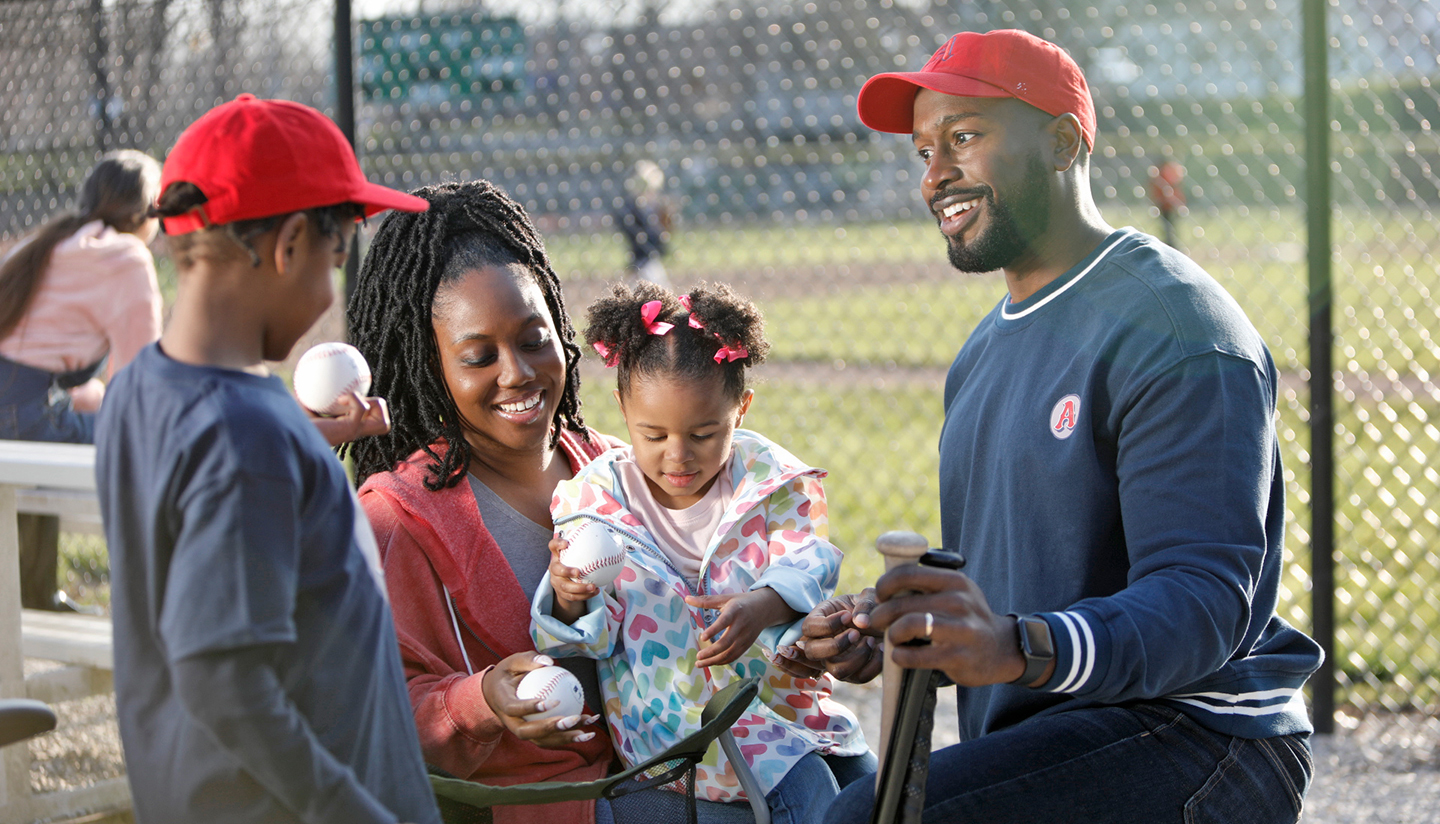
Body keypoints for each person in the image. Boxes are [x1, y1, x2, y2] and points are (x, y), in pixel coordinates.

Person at [781, 30, 1323, 824]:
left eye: (964, 137)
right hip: (1066, 723)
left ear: (1063, 141)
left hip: (1201, 733)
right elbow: (1019, 586)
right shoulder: (982, 352)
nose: (936, 175)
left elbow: (1204, 602)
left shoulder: (1175, 328)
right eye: (923, 150)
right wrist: (903, 623)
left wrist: (1016, 646)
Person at [94, 94, 440, 824]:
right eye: (335, 259)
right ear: (287, 246)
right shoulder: (249, 438)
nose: (329, 292)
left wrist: (304, 449)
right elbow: (224, 682)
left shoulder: (140, 389)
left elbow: (217, 482)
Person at [346, 179, 637, 824]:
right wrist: (479, 701)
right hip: (548, 807)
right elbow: (370, 711)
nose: (517, 372)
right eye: (479, 356)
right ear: (433, 365)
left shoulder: (615, 466)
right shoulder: (395, 520)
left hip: (667, 768)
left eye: (534, 340)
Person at [531, 281, 872, 824]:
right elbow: (583, 639)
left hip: (783, 711)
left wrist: (765, 603)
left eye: (705, 433)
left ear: (742, 407)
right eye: (653, 434)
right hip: (672, 730)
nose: (678, 455)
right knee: (810, 792)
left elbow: (810, 558)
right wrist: (571, 599)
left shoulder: (770, 482)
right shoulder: (593, 501)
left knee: (877, 785)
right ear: (621, 409)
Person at [0, 149, 162, 610]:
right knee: (144, 450)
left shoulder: (49, 242)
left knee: (48, 436)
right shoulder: (126, 255)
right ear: (147, 211)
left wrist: (89, 397)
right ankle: (146, 602)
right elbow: (139, 382)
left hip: (16, 407)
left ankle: (34, 594)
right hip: (24, 416)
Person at [613, 160, 674, 289]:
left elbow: (660, 238)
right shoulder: (631, 209)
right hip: (643, 259)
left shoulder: (651, 208)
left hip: (647, 259)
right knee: (655, 290)